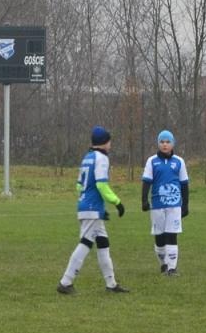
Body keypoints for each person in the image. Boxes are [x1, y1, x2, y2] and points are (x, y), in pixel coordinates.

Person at [58, 125, 130, 294]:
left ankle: (111, 284)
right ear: (104, 142)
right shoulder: (101, 158)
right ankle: (66, 282)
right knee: (86, 242)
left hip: (86, 204)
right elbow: (101, 185)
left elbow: (78, 186)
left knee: (103, 243)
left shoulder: (87, 157)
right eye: (109, 141)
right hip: (92, 207)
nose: (110, 145)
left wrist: (99, 208)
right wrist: (117, 202)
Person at [141, 129, 191, 276]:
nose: (165, 144)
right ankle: (163, 264)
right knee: (160, 238)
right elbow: (146, 182)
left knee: (172, 235)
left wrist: (185, 205)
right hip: (157, 205)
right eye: (162, 142)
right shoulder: (152, 161)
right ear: (158, 144)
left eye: (168, 142)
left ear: (172, 144)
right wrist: (144, 200)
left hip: (174, 205)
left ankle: (172, 268)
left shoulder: (179, 161)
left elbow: (184, 184)